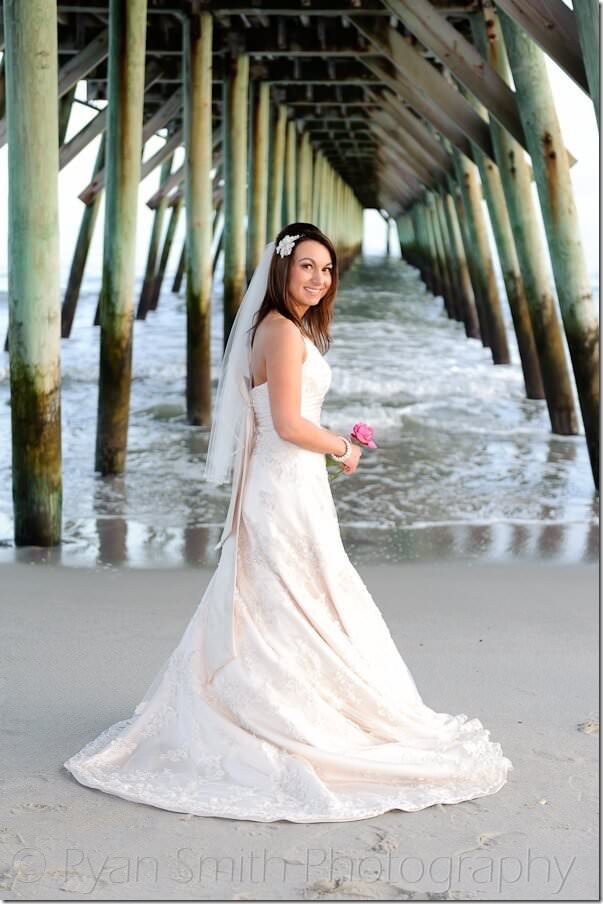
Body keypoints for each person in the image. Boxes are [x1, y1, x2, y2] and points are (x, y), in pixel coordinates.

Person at [63, 222, 513, 822]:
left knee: (291, 600)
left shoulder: (277, 329)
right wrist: (343, 447)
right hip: (287, 487)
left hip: (288, 488)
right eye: (306, 266)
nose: (318, 279)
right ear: (282, 269)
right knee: (303, 598)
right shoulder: (278, 330)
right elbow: (286, 425)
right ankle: (282, 712)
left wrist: (319, 452)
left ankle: (278, 696)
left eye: (326, 270)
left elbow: (272, 425)